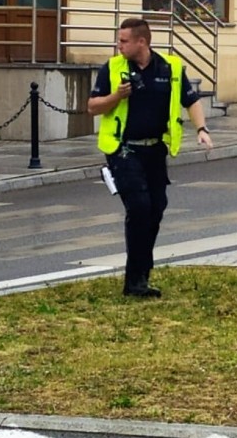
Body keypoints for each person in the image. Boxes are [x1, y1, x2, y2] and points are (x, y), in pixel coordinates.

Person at [88, 17, 213, 298]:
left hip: (155, 149)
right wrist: (116, 97)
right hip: (123, 149)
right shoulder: (112, 67)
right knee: (140, 207)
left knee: (156, 208)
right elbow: (93, 107)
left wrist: (202, 129)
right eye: (119, 40)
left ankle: (142, 272)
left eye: (124, 41)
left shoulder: (170, 68)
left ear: (141, 42)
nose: (118, 45)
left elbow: (191, 100)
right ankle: (134, 280)